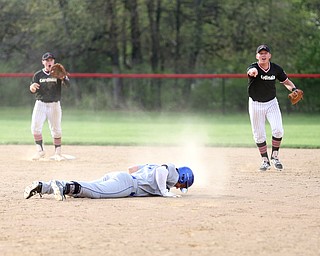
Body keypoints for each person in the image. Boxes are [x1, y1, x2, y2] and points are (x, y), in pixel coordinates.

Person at [247, 44, 299, 171]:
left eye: (265, 53)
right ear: (257, 56)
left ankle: (275, 157)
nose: (263, 55)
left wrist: (294, 89)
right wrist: (252, 72)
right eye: (261, 53)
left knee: (278, 130)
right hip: (255, 104)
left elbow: (286, 81)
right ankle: (265, 161)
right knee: (259, 135)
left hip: (271, 103)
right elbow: (250, 71)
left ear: (269, 55)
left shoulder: (276, 69)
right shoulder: (254, 68)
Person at [24, 163, 195, 201]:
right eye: (182, 185)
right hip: (127, 185)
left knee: (89, 187)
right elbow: (162, 170)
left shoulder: (153, 166)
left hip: (120, 176)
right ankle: (63, 186)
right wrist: (165, 192)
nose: (178, 188)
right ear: (182, 179)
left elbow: (132, 168)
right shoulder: (171, 172)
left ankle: (45, 186)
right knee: (95, 192)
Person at [29, 52, 70, 161]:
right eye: (47, 60)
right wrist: (32, 86)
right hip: (40, 104)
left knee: (56, 129)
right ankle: (40, 151)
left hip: (54, 105)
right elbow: (32, 88)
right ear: (43, 62)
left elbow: (68, 84)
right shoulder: (38, 75)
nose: (49, 62)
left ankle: (58, 153)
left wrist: (63, 77)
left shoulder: (58, 73)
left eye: (51, 60)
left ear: (54, 62)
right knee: (35, 127)